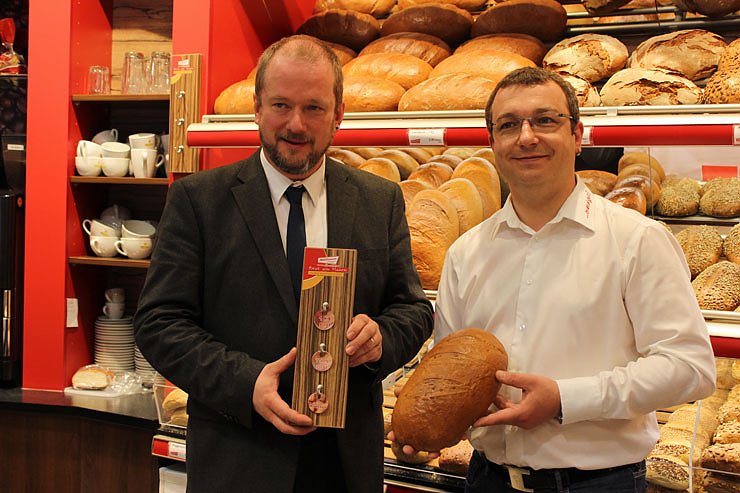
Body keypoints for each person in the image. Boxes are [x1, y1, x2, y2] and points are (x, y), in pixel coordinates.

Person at [134, 35, 433, 493]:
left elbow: (412, 310)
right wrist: (246, 382)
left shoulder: (379, 200)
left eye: (314, 108)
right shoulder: (199, 201)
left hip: (345, 465)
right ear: (257, 109)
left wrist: (381, 340)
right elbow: (159, 323)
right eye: (281, 105)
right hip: (239, 460)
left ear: (338, 115)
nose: (296, 124)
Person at [433, 67, 717, 492]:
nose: (526, 137)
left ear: (578, 134)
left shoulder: (636, 240)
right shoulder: (465, 252)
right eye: (508, 125)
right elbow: (450, 368)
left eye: (545, 120)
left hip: (598, 484)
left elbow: (689, 368)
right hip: (487, 479)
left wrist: (565, 399)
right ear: (492, 142)